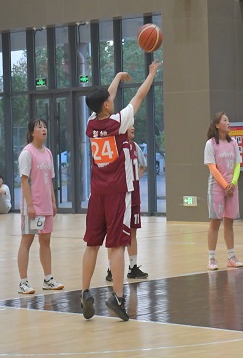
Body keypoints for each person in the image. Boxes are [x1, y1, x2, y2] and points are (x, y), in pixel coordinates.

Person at [81, 60, 161, 322]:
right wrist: (151, 74)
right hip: (118, 192)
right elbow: (140, 95)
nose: (111, 100)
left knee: (92, 245)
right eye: (109, 100)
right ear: (106, 105)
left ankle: (84, 293)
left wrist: (116, 77)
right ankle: (117, 298)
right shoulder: (119, 122)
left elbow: (108, 96)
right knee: (117, 246)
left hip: (97, 193)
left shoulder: (91, 124)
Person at [17, 118, 64, 294]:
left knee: (45, 241)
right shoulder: (27, 153)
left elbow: (50, 180)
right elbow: (24, 181)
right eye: (39, 127)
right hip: (32, 206)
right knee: (27, 241)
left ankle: (48, 279)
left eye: (45, 127)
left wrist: (53, 201)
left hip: (45, 206)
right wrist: (30, 205)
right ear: (31, 132)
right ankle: (23, 282)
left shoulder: (48, 153)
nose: (44, 129)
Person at [105, 125, 149, 282]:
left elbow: (143, 165)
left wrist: (134, 179)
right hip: (119, 196)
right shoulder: (115, 147)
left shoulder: (135, 146)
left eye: (133, 125)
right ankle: (111, 268)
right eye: (130, 125)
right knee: (114, 233)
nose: (133, 128)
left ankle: (133, 267)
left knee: (132, 232)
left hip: (134, 196)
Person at [205, 111, 243, 271]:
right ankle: (211, 258)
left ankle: (231, 257)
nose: (228, 123)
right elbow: (212, 168)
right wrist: (224, 185)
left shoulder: (233, 143)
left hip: (232, 187)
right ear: (217, 125)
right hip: (217, 187)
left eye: (228, 120)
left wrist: (232, 183)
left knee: (229, 221)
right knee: (215, 222)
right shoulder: (210, 144)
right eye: (225, 120)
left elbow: (237, 165)